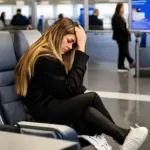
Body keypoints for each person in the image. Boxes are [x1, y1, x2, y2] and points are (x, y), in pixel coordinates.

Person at [15, 18, 148, 150]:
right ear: (59, 33)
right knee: (91, 97)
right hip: (42, 111)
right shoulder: (46, 59)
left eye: (73, 45)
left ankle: (118, 135)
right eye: (69, 41)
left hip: (47, 104)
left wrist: (79, 91)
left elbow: (70, 87)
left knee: (86, 103)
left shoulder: (46, 55)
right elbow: (71, 89)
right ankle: (119, 135)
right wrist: (81, 50)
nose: (69, 48)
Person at [112, 3, 135, 71]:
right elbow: (120, 27)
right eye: (122, 7)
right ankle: (131, 62)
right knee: (125, 51)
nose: (123, 9)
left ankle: (121, 65)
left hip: (123, 37)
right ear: (119, 8)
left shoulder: (120, 16)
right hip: (121, 37)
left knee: (122, 52)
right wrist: (127, 31)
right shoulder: (116, 16)